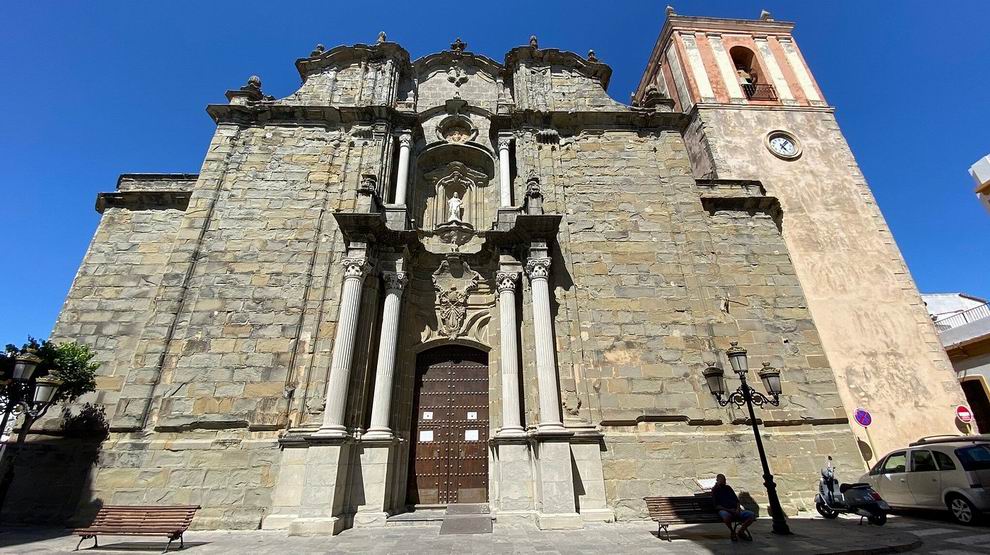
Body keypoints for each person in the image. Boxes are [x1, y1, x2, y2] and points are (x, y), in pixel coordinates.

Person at [712, 474, 756, 541]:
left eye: (724, 480)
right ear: (717, 480)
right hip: (725, 510)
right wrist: (729, 510)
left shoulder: (728, 488)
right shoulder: (715, 490)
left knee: (751, 515)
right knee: (726, 516)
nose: (724, 482)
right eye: (722, 480)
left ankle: (741, 531)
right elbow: (717, 506)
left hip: (735, 510)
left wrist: (738, 509)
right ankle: (732, 531)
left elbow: (737, 501)